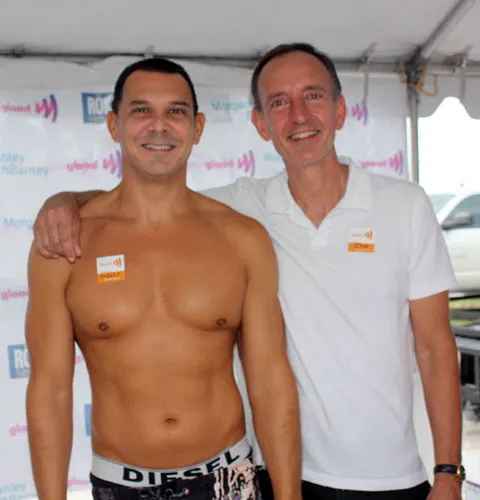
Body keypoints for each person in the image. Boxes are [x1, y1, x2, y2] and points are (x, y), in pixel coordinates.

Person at [32, 44, 464, 500]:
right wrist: (65, 201)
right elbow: (50, 390)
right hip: (171, 479)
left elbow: (432, 347)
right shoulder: (71, 242)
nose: (299, 116)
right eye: (279, 102)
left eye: (313, 96)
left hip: (343, 475)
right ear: (260, 123)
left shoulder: (244, 228)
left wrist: (448, 471)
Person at [25, 57, 303, 500]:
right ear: (114, 125)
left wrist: (289, 496)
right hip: (121, 485)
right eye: (141, 110)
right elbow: (50, 392)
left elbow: (270, 381)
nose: (159, 126)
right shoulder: (66, 244)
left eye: (175, 111)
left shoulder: (242, 239)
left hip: (228, 481)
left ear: (197, 127)